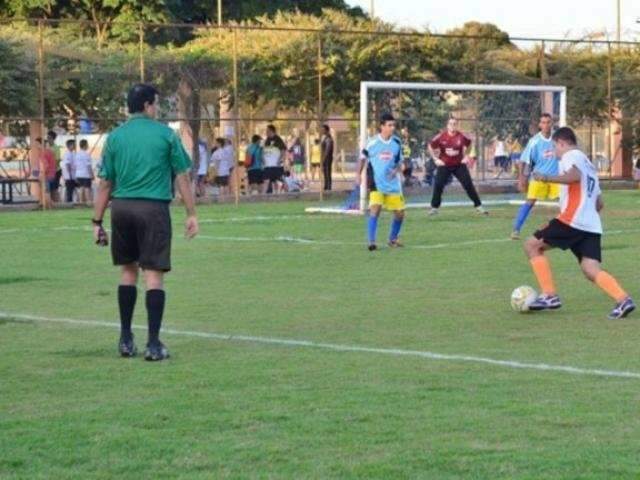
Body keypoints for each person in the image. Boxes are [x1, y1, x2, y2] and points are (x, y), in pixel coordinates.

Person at [92, 83, 199, 361]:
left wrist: (97, 220)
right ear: (148, 105)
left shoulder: (115, 137)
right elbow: (182, 176)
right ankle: (153, 344)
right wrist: (191, 213)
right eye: (156, 104)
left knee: (128, 272)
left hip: (122, 208)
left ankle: (126, 340)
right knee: (153, 275)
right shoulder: (166, 135)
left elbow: (106, 182)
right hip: (152, 209)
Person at [523, 126, 635, 319]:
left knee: (531, 245)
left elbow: (575, 177)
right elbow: (599, 203)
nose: (556, 153)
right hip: (591, 224)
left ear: (562, 143)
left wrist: (547, 177)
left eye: (556, 147)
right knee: (590, 269)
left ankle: (549, 295)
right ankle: (623, 299)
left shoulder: (571, 156)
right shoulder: (589, 164)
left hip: (572, 220)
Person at [356, 113, 405, 251]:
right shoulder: (372, 142)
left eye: (393, 125)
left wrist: (397, 171)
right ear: (382, 126)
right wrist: (358, 175)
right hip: (376, 183)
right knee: (375, 209)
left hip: (393, 184)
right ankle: (371, 241)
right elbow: (362, 158)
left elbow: (400, 163)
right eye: (389, 125)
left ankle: (393, 239)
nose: (392, 128)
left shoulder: (396, 143)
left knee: (400, 213)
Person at [511, 113, 559, 240]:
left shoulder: (558, 139)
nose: (546, 125)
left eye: (548, 122)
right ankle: (516, 229)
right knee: (530, 202)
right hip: (539, 177)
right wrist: (522, 178)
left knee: (566, 203)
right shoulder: (534, 141)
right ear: (539, 125)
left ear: (552, 123)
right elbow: (523, 160)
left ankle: (567, 230)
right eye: (543, 122)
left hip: (556, 178)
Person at [428, 117, 487, 215]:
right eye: (451, 124)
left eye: (455, 124)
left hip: (459, 165)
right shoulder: (441, 136)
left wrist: (467, 156)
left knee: (468, 185)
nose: (452, 126)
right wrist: (435, 159)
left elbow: (470, 144)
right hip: (444, 165)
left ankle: (479, 206)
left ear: (457, 125)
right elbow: (430, 146)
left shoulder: (462, 136)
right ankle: (434, 208)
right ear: (447, 126)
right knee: (438, 185)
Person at [263, 125, 286, 194]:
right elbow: (264, 150)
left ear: (271, 131)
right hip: (267, 165)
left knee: (276, 180)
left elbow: (283, 150)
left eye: (267, 131)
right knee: (266, 180)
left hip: (276, 165)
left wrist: (280, 160)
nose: (266, 132)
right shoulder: (267, 140)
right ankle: (264, 196)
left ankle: (277, 194)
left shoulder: (278, 139)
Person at [75, 139, 94, 204]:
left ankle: (81, 201)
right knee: (87, 188)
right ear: (85, 145)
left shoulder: (77, 154)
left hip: (78, 174)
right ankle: (88, 201)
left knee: (81, 188)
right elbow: (88, 166)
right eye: (87, 144)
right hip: (86, 174)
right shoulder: (86, 154)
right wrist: (92, 174)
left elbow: (75, 165)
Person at [61, 139, 77, 203]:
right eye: (74, 144)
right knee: (69, 189)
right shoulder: (67, 154)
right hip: (69, 175)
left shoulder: (73, 153)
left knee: (72, 189)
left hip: (72, 174)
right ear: (70, 145)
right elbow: (67, 164)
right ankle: (69, 201)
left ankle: (71, 200)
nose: (75, 146)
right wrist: (69, 174)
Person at [47, 130, 61, 202]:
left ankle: (58, 202)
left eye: (49, 138)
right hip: (49, 171)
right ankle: (53, 202)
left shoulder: (56, 148)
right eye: (47, 137)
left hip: (55, 171)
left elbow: (57, 160)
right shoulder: (46, 147)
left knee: (55, 188)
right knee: (50, 188)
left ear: (53, 139)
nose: (48, 139)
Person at [321, 124, 334, 191]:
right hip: (325, 158)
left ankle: (328, 187)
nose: (322, 131)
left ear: (326, 130)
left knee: (328, 172)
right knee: (325, 172)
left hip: (328, 158)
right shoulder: (325, 138)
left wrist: (324, 158)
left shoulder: (329, 138)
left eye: (323, 129)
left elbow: (327, 150)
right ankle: (326, 185)